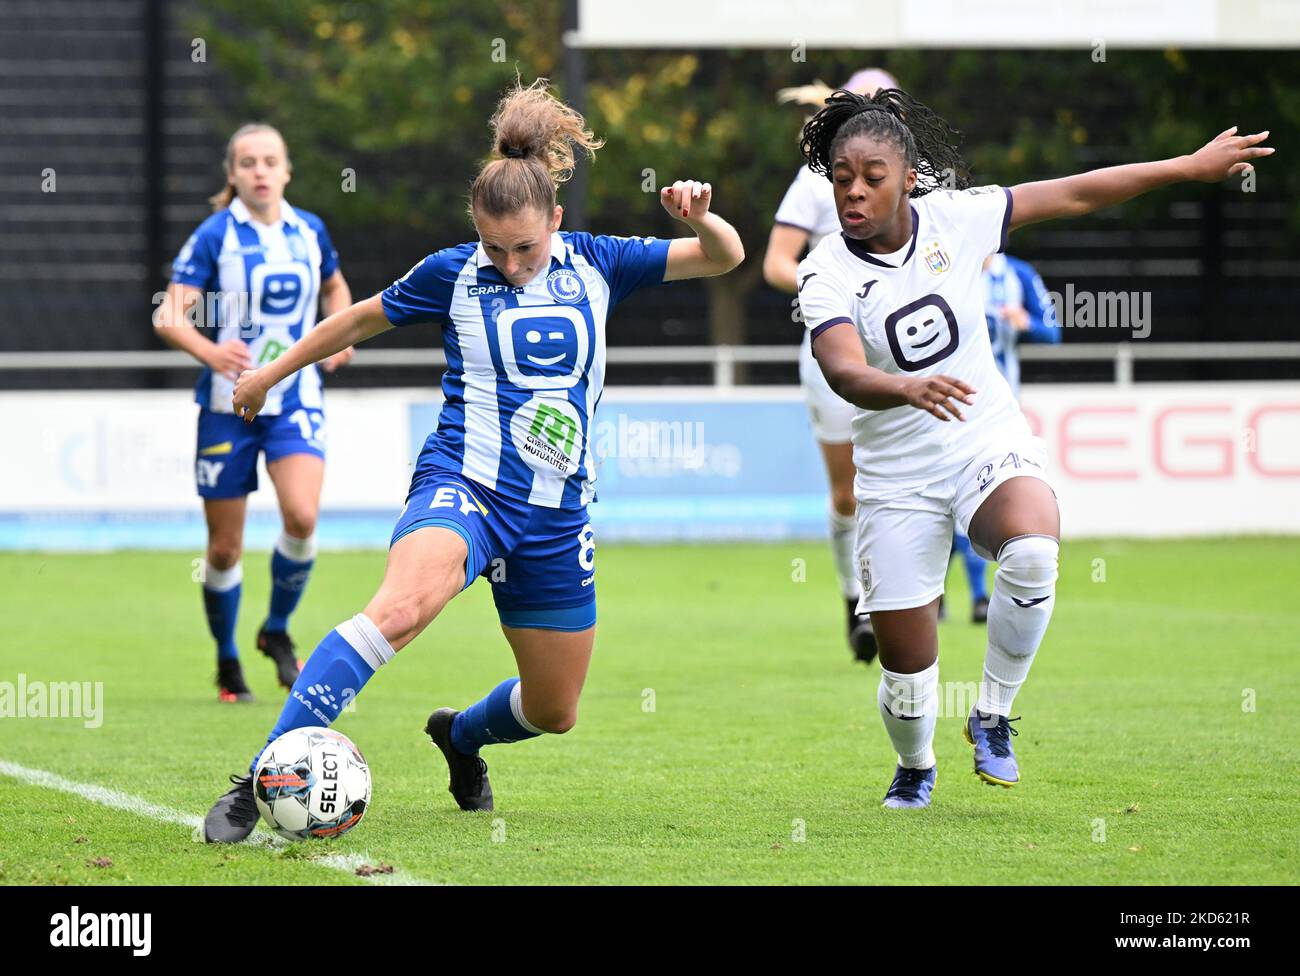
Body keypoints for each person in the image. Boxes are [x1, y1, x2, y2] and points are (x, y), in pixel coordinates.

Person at [201, 79, 744, 842]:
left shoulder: (603, 261)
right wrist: (268, 373)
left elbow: (723, 258)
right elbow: (356, 318)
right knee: (398, 610)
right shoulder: (451, 274)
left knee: (555, 710)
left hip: (557, 511)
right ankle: (259, 776)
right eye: (496, 247)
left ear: (556, 218)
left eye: (527, 246)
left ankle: (459, 737)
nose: (513, 263)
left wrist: (702, 218)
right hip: (464, 484)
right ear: (475, 230)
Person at [795, 87, 1270, 808]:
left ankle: (991, 714)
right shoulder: (827, 267)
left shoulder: (961, 217)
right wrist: (905, 389)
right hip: (895, 475)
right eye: (840, 177)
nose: (853, 191)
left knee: (1034, 548)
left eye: (871, 176)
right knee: (907, 676)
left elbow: (1078, 193)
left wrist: (1186, 166)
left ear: (911, 176)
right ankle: (916, 765)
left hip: (982, 437)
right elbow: (841, 368)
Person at [154, 123, 355, 703]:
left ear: (287, 171)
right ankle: (227, 660)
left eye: (271, 161)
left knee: (301, 517)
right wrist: (212, 351)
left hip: (296, 398)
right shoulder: (216, 234)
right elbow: (170, 315)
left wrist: (340, 337)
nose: (260, 171)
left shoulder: (309, 230)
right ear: (233, 174)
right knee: (223, 550)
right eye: (248, 162)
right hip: (228, 406)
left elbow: (336, 289)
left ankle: (276, 629)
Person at [763, 68, 899, 666]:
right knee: (848, 493)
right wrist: (836, 293)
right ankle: (855, 596)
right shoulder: (819, 181)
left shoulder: (917, 179)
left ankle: (888, 601)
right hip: (832, 350)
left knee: (892, 485)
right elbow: (774, 263)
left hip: (902, 352)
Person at [951, 252, 1060, 623]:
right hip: (949, 407)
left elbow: (1053, 331)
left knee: (983, 499)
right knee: (947, 500)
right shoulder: (945, 263)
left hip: (999, 413)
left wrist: (1026, 321)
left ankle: (979, 596)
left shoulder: (1019, 274)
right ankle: (944, 594)